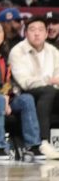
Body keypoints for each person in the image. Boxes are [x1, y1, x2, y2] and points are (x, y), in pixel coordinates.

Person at [0, 22, 42, 160]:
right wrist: (1, 96)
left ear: (4, 36)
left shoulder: (5, 56)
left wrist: (6, 95)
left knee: (26, 99)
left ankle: (33, 145)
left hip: (5, 97)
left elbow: (10, 81)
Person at [8, 16, 59, 159]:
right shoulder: (17, 51)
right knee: (48, 91)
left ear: (46, 33)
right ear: (26, 33)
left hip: (50, 92)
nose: (37, 33)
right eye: (32, 30)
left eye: (40, 30)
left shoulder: (53, 51)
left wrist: (52, 82)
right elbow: (25, 82)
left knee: (50, 91)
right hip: (23, 95)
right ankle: (43, 141)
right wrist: (49, 80)